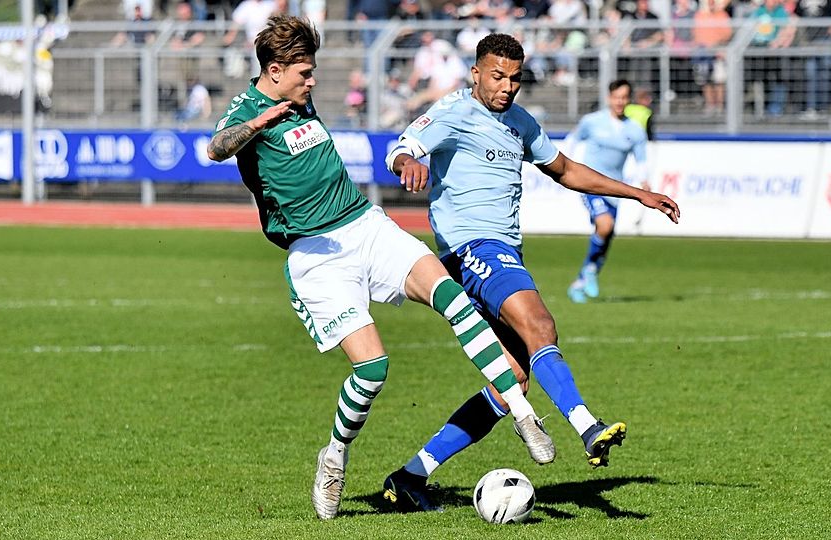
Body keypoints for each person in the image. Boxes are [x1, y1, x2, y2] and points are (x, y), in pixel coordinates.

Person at [206, 16, 552, 521]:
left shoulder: (298, 97)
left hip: (365, 224)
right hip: (316, 254)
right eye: (304, 73)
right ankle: (334, 457)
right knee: (372, 370)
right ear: (275, 71)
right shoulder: (248, 109)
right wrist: (257, 125)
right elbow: (216, 148)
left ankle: (523, 414)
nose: (312, 81)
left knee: (452, 296)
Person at [381, 34, 680, 511]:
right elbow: (402, 146)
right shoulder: (453, 111)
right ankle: (587, 426)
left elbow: (565, 170)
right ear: (476, 73)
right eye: (497, 76)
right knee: (540, 325)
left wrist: (638, 194)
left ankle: (410, 476)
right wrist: (406, 161)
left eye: (514, 78)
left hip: (502, 253)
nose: (506, 86)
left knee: (512, 383)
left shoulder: (520, 122)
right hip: (471, 249)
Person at [565, 80, 649, 304]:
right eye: (616, 97)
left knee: (606, 237)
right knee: (605, 225)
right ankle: (589, 272)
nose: (620, 101)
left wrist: (644, 181)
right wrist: (564, 166)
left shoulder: (635, 130)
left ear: (628, 99)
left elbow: (641, 159)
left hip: (614, 189)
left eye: (624, 97)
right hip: (589, 184)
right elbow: (572, 139)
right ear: (609, 98)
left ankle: (581, 281)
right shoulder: (592, 121)